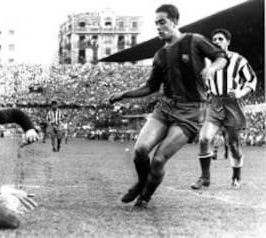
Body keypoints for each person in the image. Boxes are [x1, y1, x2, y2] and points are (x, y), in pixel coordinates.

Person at [108, 4, 228, 210]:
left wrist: (212, 69)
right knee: (140, 150)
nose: (158, 27)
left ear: (175, 22)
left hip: (191, 111)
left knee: (159, 159)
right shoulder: (160, 55)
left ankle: (144, 197)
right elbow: (151, 87)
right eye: (156, 23)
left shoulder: (194, 40)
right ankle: (141, 182)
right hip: (165, 108)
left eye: (162, 22)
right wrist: (123, 94)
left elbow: (221, 56)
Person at [191, 28, 257, 189]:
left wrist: (240, 92)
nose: (217, 42)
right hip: (213, 104)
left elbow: (251, 80)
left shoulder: (238, 59)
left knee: (233, 146)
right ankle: (204, 177)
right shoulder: (207, 61)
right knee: (204, 138)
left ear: (228, 42)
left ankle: (236, 177)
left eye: (221, 39)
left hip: (231, 105)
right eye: (214, 40)